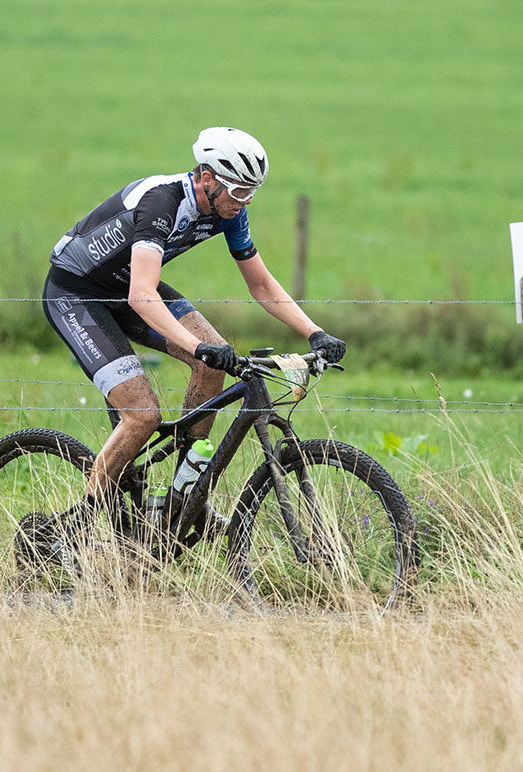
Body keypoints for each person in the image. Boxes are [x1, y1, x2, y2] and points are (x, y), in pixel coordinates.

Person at [42, 126, 346, 517]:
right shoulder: (162, 202)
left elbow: (261, 284)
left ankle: (183, 498)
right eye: (239, 191)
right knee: (143, 415)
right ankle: (79, 523)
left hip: (130, 286)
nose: (244, 202)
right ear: (207, 178)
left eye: (252, 193)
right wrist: (196, 346)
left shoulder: (228, 211)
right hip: (78, 294)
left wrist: (314, 332)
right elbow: (142, 295)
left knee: (212, 361)